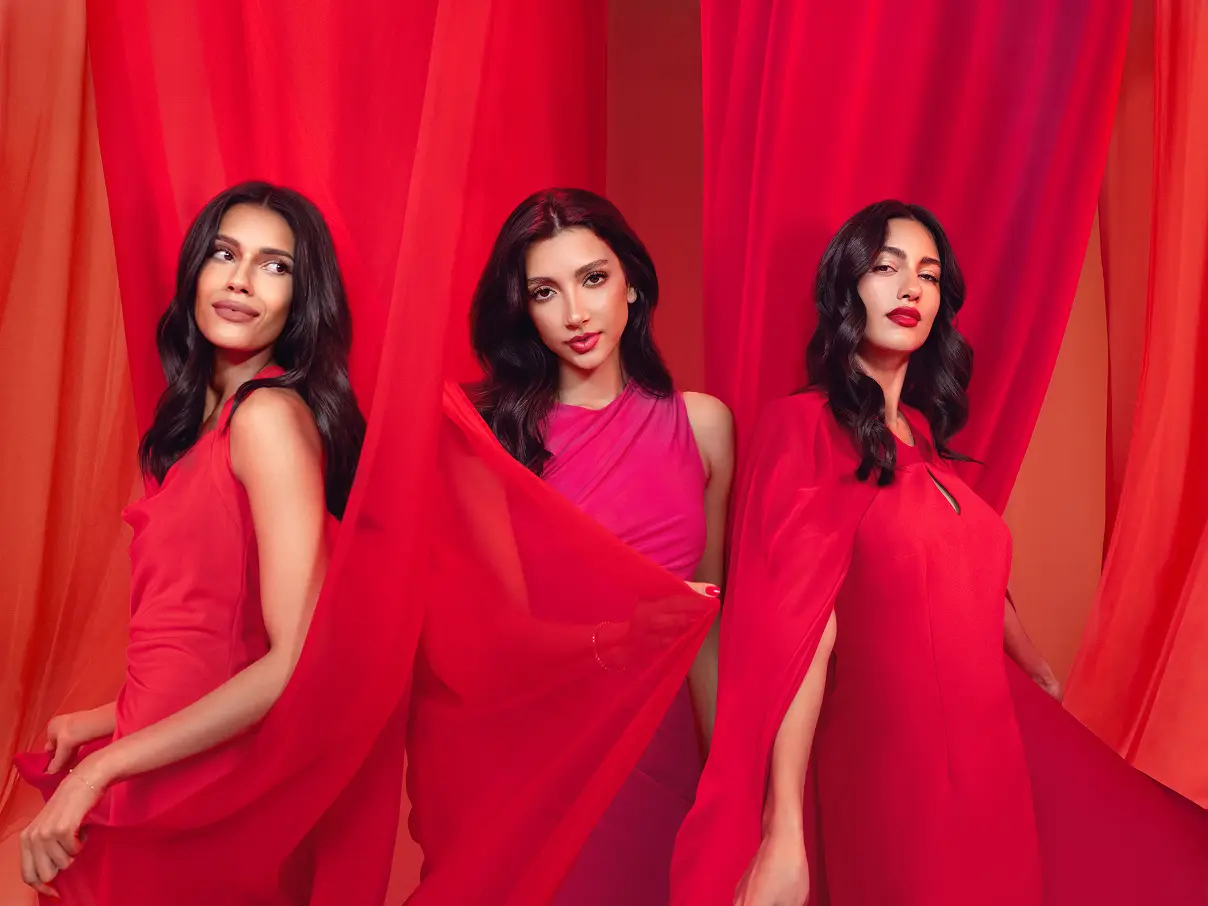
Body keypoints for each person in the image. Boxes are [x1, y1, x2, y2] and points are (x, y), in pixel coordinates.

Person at [670, 200, 1208, 906]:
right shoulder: (801, 427)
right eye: (886, 268)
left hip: (995, 764)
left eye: (927, 274)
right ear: (846, 289)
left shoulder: (923, 437)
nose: (909, 289)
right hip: (895, 770)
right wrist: (782, 826)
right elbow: (799, 627)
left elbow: (971, 572)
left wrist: (1037, 666)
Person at [16, 181, 365, 902]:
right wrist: (103, 722)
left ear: (304, 299)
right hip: (156, 759)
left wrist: (98, 771)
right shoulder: (201, 431)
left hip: (205, 792)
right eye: (223, 253)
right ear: (195, 272)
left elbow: (292, 662)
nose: (240, 279)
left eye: (276, 266)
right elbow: (213, 645)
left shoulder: (267, 418)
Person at [408, 187, 734, 906]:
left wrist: (729, 792)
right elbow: (488, 638)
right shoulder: (485, 438)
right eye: (545, 292)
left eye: (594, 279)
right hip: (540, 759)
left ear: (634, 285)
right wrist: (614, 641)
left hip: (663, 757)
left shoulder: (704, 426)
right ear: (522, 309)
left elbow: (704, 629)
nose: (576, 314)